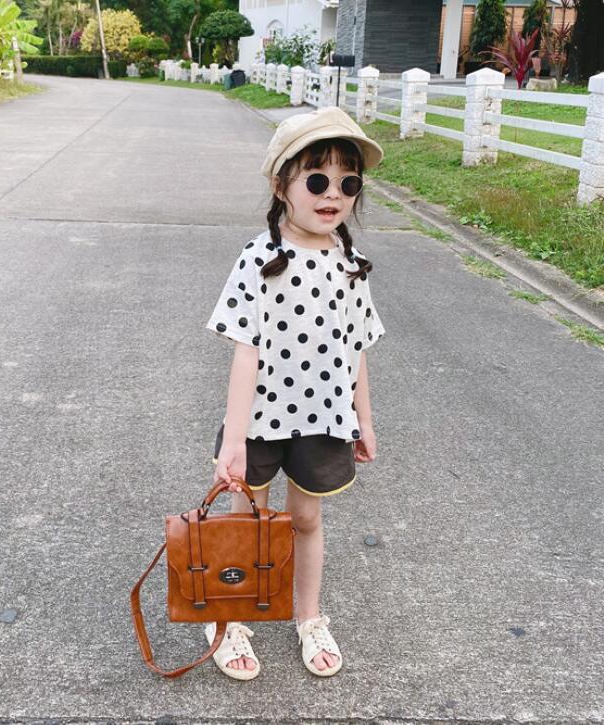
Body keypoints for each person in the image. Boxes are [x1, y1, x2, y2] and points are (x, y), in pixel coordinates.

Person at [203, 106, 387, 681]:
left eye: (348, 184)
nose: (333, 194)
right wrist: (234, 440)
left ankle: (308, 616)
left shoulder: (352, 265)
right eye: (317, 179)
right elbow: (246, 352)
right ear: (282, 185)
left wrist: (364, 420)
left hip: (324, 419)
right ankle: (228, 620)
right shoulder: (260, 259)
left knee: (306, 519)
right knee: (246, 522)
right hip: (260, 420)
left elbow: (356, 348)